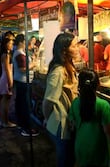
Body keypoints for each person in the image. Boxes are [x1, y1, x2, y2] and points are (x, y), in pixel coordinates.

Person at [68, 69, 110, 167]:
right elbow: (109, 131)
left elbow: (72, 125)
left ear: (79, 86)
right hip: (98, 150)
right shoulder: (103, 105)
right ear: (98, 85)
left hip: (80, 146)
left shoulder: (75, 103)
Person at [42, 32, 79, 167]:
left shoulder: (67, 67)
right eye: (74, 46)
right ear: (64, 50)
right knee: (65, 160)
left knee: (68, 157)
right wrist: (47, 118)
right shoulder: (58, 71)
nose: (77, 48)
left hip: (68, 121)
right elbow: (48, 101)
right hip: (61, 124)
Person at [13, 34, 39, 137]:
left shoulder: (20, 53)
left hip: (21, 81)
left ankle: (21, 123)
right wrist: (33, 64)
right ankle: (27, 128)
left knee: (21, 104)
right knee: (25, 105)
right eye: (25, 41)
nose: (26, 43)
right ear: (20, 42)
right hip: (23, 82)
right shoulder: (19, 53)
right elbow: (22, 69)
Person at [0, 31, 15, 122]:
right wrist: (10, 82)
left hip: (3, 77)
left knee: (0, 97)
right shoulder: (5, 53)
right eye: (10, 40)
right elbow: (6, 68)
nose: (12, 42)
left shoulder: (5, 52)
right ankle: (4, 119)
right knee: (4, 99)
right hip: (4, 77)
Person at [0, 36, 16, 128]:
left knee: (5, 100)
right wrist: (10, 82)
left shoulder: (5, 54)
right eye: (11, 43)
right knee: (6, 101)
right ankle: (5, 121)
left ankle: (3, 121)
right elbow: (8, 70)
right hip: (6, 78)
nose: (12, 44)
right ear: (6, 44)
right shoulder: (6, 55)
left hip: (5, 78)